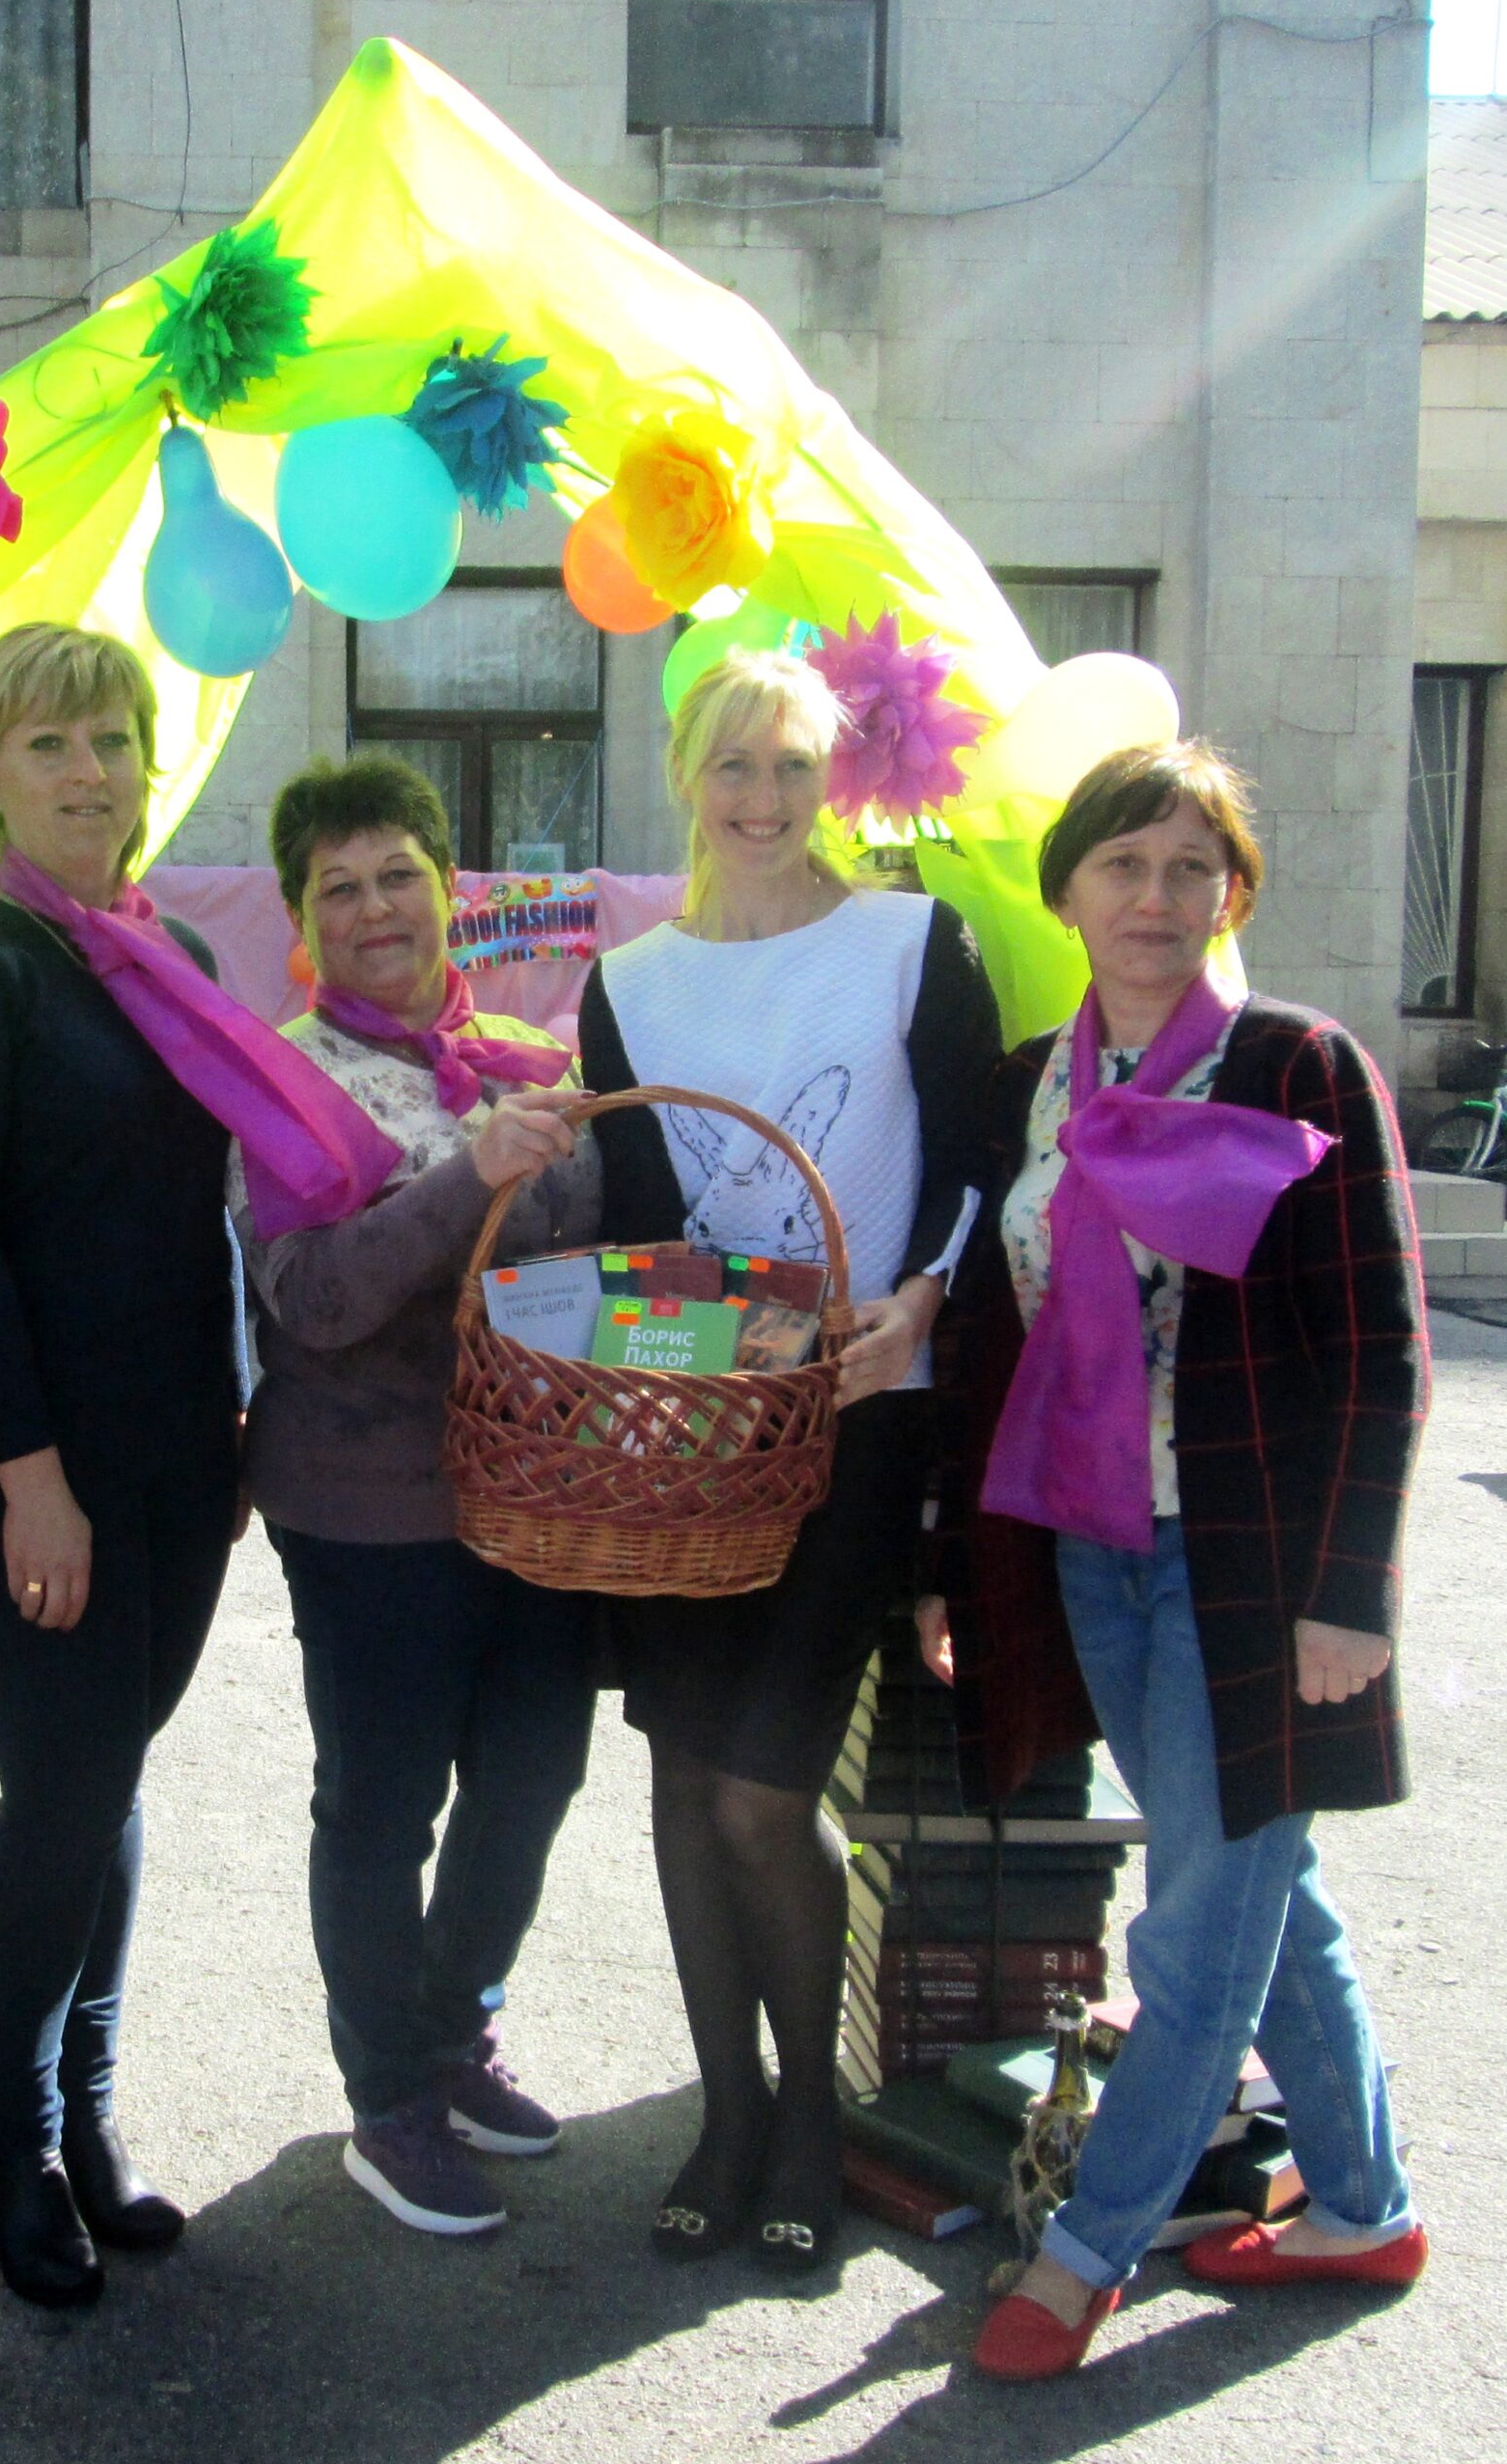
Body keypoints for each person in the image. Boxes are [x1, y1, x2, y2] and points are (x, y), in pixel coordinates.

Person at [0, 625, 391, 2309]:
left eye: (110, 738)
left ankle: (88, 2117)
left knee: (111, 1779)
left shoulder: (169, 953)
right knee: (66, 1780)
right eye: (47, 745)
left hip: (176, 1445)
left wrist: (236, 1414)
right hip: (25, 1464)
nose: (87, 771)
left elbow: (201, 1214)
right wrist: (31, 1475)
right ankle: (13, 2144)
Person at [919, 741, 1426, 2381]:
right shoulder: (1028, 1084)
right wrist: (942, 1558)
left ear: (1233, 894)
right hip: (1093, 1547)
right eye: (1124, 863)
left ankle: (1085, 2251)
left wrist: (1350, 1594)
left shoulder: (1298, 1067)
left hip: (1253, 1567)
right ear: (1066, 889)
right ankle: (1362, 2205)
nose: (1156, 896)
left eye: (1192, 865)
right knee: (1265, 1883)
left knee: (1199, 1917)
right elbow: (984, 1334)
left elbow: (1382, 1349)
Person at [576, 648, 1002, 2272]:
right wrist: (697, 1357)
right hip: (691, 1439)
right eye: (734, 765)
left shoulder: (910, 943)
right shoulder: (630, 982)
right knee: (685, 1784)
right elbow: (638, 1226)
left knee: (764, 1793)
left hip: (862, 1433)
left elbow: (974, 1156)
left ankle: (811, 2115)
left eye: (794, 767)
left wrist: (921, 1299)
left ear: (839, 780)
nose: (763, 799)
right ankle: (727, 2114)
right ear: (686, 773)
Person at [234, 755, 600, 2238]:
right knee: (383, 1807)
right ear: (301, 923)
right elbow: (314, 1299)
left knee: (534, 1777)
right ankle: (388, 2101)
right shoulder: (283, 1078)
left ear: (451, 891)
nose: (375, 907)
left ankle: (452, 2036)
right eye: (339, 888)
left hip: (538, 1502)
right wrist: (469, 1175)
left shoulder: (528, 1057)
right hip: (366, 1508)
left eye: (399, 874)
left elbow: (585, 1263)